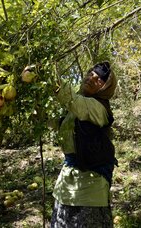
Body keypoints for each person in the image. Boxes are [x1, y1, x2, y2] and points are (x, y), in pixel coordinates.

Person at [48, 62, 118, 227]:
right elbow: (57, 123)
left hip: (90, 188)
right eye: (91, 73)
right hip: (66, 183)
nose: (92, 77)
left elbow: (71, 99)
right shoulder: (75, 109)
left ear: (105, 88)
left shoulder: (98, 108)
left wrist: (47, 75)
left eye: (100, 78)